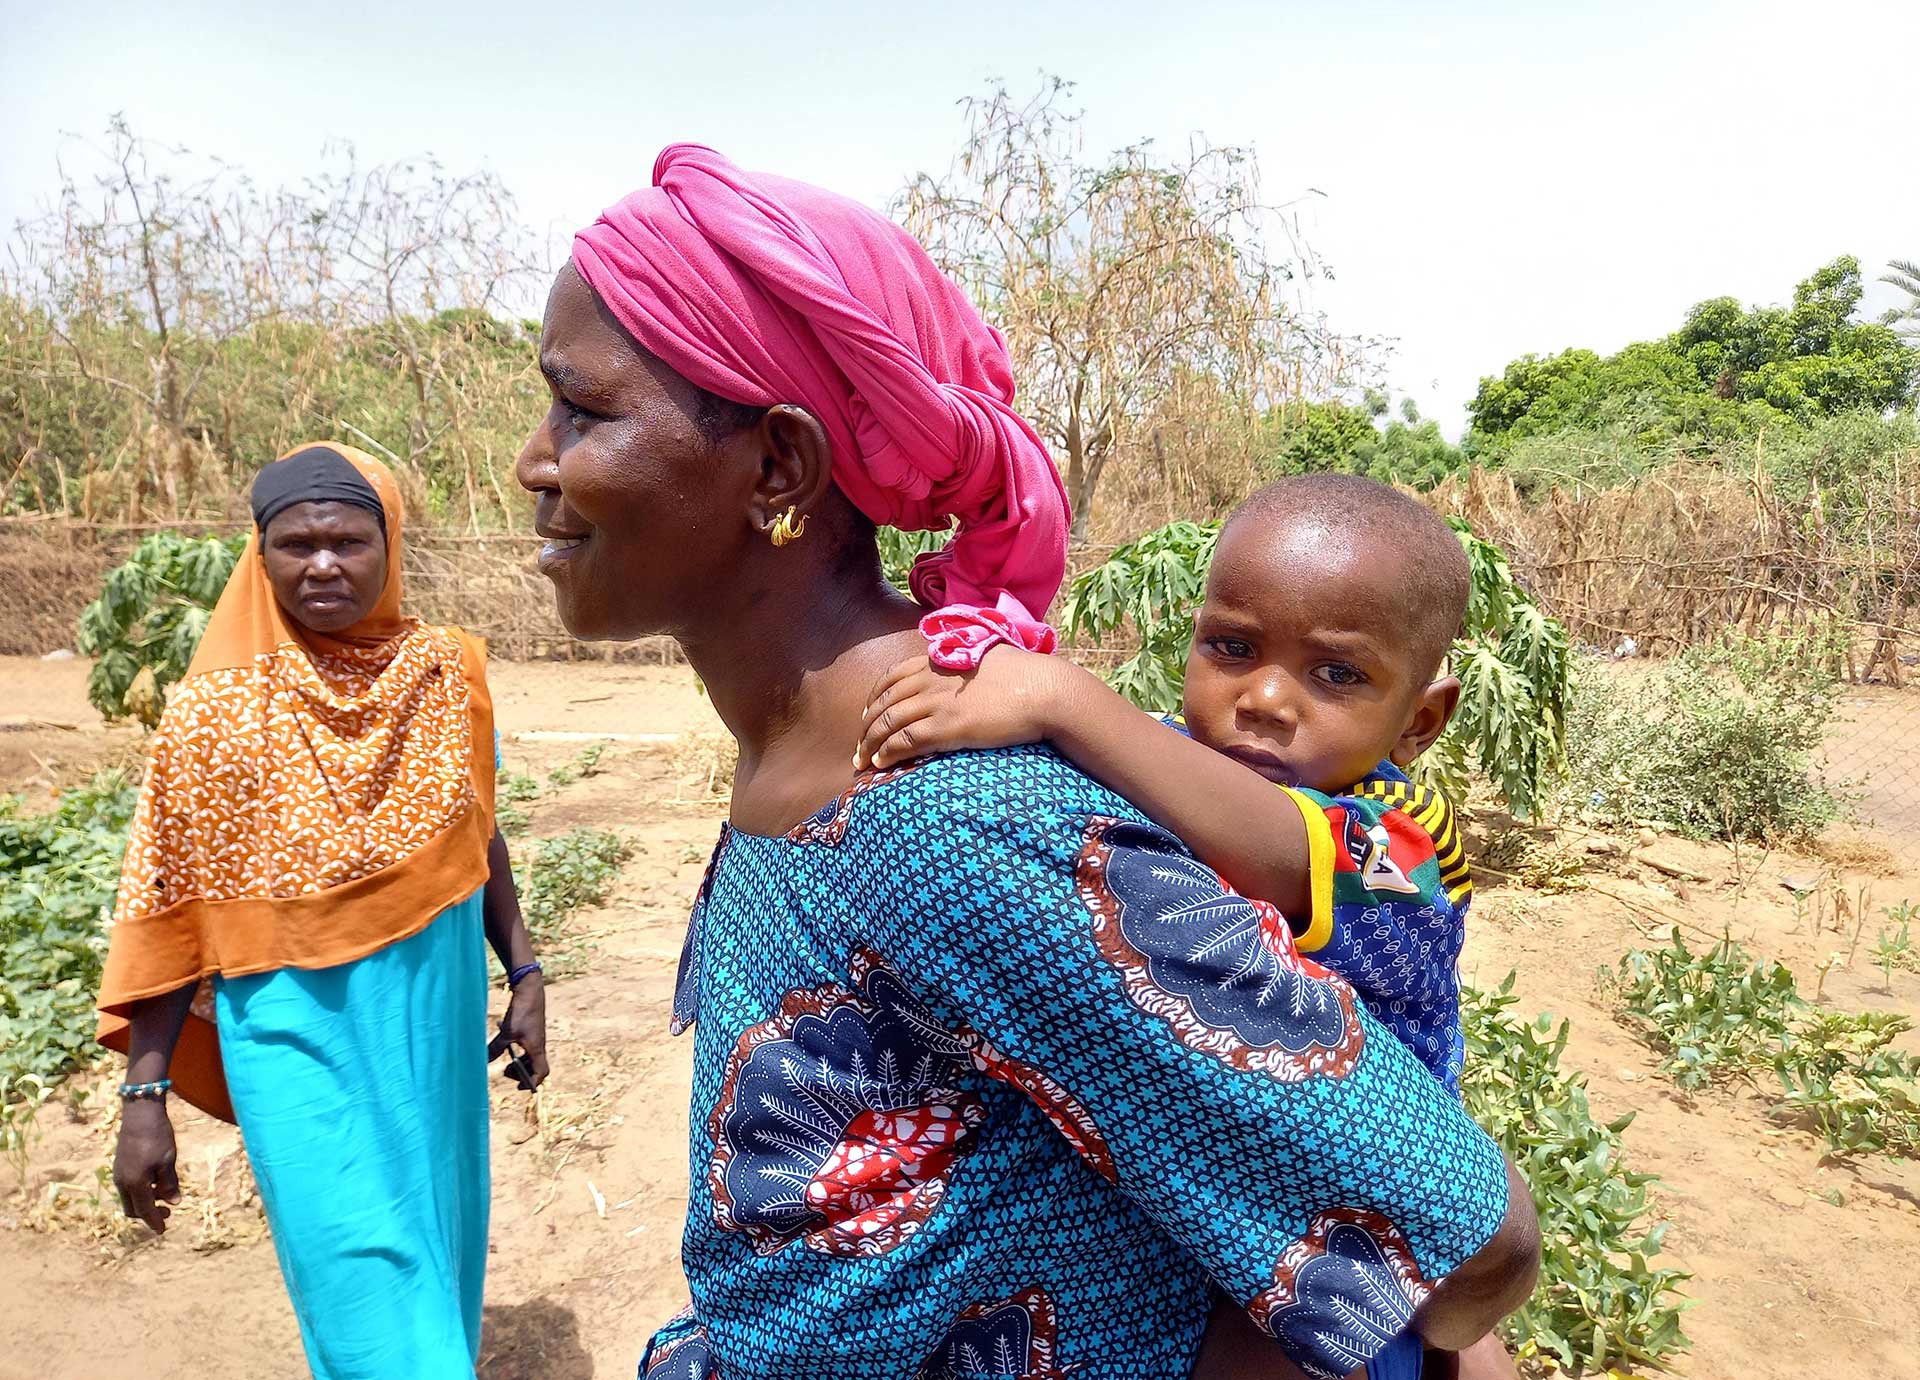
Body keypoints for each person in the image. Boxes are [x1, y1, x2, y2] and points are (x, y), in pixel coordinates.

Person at [519, 144, 1538, 1380]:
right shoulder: (818, 761)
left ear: (778, 467)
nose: (536, 458)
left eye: (582, 409)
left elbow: (1473, 1249)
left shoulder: (945, 818)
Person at [858, 472, 1520, 1376]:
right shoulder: (1178, 750)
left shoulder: (1408, 849)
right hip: (1208, 1160)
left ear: (1421, 719)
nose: (1267, 700)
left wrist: (1064, 698)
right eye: (1232, 647)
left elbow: (1285, 849)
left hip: (1342, 1197)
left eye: (1338, 674)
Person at [98, 443, 549, 1380]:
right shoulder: (211, 713)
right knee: (354, 1264)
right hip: (290, 1029)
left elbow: (481, 832)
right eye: (295, 543)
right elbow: (171, 903)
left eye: (350, 540)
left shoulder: (441, 672)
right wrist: (143, 1097)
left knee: (435, 1243)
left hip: (431, 1016)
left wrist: (527, 971)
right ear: (258, 556)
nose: (324, 564)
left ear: (390, 549)